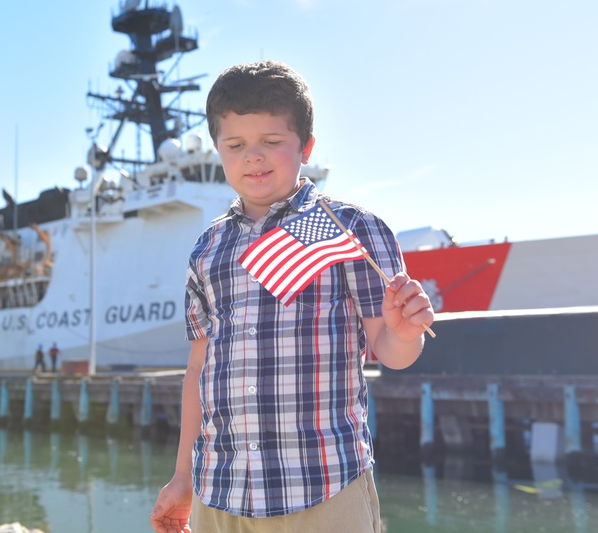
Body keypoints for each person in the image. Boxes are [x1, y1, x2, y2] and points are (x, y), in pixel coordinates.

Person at [150, 60, 434, 533]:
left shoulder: (356, 230)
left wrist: (404, 333)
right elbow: (199, 369)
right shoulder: (207, 250)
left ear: (306, 146)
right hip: (220, 493)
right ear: (218, 149)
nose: (253, 157)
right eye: (236, 145)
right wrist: (183, 477)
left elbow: (390, 350)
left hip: (323, 489)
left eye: (272, 142)